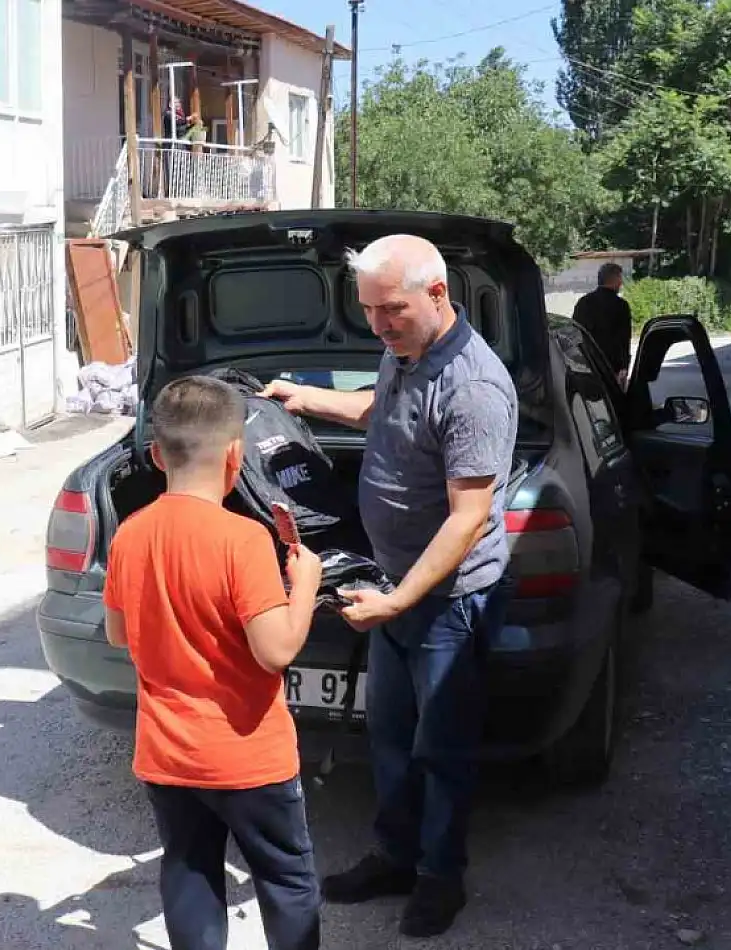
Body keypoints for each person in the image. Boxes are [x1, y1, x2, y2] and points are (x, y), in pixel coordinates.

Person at [260, 234, 518, 938]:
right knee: (392, 739)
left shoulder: (473, 387)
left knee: (442, 747)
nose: (377, 324)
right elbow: (381, 410)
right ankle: (395, 856)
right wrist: (304, 397)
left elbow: (467, 518)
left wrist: (402, 600)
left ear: (439, 294)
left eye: (390, 310)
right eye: (369, 310)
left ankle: (440, 876)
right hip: (395, 588)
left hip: (447, 604)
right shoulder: (406, 351)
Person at [103, 375, 325, 950]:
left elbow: (118, 633)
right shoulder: (245, 540)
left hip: (169, 755)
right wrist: (304, 584)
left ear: (156, 454)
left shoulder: (130, 535)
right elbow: (275, 650)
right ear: (236, 454)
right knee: (285, 878)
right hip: (250, 757)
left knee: (190, 872)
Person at [571, 261, 634, 388]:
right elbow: (624, 338)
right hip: (611, 367)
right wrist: (624, 367)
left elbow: (575, 333)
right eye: (620, 278)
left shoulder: (583, 302)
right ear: (614, 279)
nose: (621, 283)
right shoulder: (620, 305)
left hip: (587, 366)